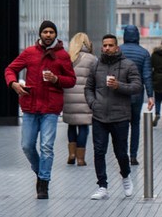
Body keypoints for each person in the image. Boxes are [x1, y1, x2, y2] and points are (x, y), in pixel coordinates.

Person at [4, 19, 77, 199]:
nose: (48, 35)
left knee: (46, 147)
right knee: (27, 146)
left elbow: (71, 80)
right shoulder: (29, 53)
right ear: (40, 34)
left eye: (51, 32)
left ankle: (44, 183)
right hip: (30, 106)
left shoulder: (63, 55)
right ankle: (40, 172)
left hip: (50, 108)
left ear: (55, 34)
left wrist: (56, 79)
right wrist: (13, 83)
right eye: (45, 32)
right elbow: (10, 69)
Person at [85, 34, 143, 200]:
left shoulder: (128, 65)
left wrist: (119, 85)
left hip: (120, 117)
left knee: (121, 153)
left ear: (117, 47)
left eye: (111, 45)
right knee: (99, 151)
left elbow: (137, 86)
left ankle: (125, 176)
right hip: (99, 116)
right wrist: (93, 103)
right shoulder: (96, 66)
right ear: (102, 47)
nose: (107, 48)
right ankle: (102, 186)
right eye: (105, 45)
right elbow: (88, 88)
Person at [120, 25, 154, 164]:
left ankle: (122, 154)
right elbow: (147, 76)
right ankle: (133, 155)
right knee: (135, 124)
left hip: (120, 94)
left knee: (121, 125)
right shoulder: (144, 53)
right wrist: (150, 96)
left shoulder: (118, 50)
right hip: (136, 94)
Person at [63, 32, 97, 167]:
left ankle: (71, 154)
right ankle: (80, 159)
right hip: (84, 97)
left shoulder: (67, 58)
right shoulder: (92, 59)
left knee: (71, 125)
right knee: (83, 126)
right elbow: (96, 78)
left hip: (69, 96)